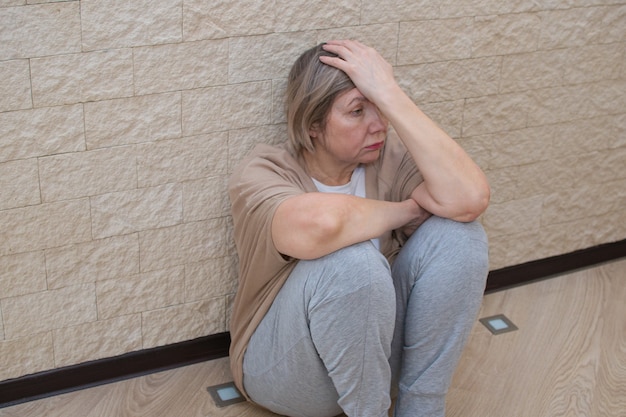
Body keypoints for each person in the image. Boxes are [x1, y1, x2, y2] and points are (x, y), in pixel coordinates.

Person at [228, 40, 490, 417]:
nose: (378, 125)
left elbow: (470, 198)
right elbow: (323, 225)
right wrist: (407, 210)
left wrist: (391, 93)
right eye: (357, 111)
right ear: (313, 124)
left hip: (374, 358)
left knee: (461, 236)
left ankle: (421, 408)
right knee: (353, 261)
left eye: (378, 108)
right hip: (286, 371)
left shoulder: (388, 160)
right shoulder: (263, 173)